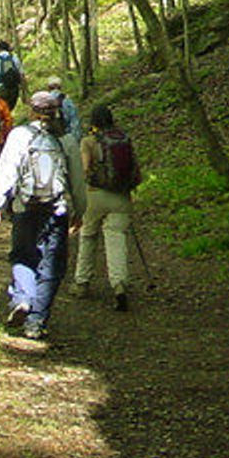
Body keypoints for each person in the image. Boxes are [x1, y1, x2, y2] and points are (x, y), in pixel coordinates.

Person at [0, 90, 86, 340]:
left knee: (22, 254)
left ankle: (22, 298)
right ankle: (36, 320)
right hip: (57, 210)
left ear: (31, 111)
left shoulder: (20, 135)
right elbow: (77, 180)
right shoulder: (66, 140)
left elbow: (7, 168)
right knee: (52, 265)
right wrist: (80, 210)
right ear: (56, 113)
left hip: (25, 207)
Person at [73, 104, 142, 312]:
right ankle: (119, 284)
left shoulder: (88, 142)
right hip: (121, 197)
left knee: (88, 236)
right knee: (116, 239)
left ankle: (82, 282)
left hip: (95, 196)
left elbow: (85, 170)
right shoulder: (123, 139)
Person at [44, 74, 82, 142]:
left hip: (49, 140)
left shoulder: (44, 101)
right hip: (66, 137)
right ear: (60, 87)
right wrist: (75, 138)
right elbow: (74, 120)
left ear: (48, 87)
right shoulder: (67, 100)